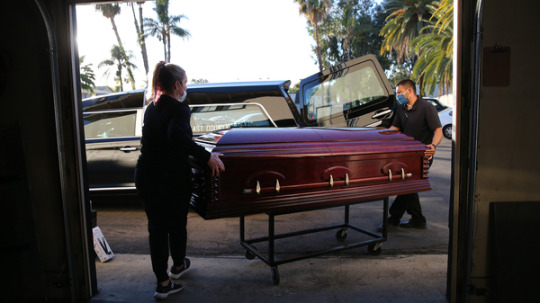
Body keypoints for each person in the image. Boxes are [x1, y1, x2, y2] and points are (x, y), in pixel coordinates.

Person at [135, 61, 225, 300]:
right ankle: (175, 268)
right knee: (176, 224)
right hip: (169, 178)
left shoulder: (151, 108)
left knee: (157, 228)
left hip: (145, 174)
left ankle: (164, 281)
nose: (187, 87)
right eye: (185, 83)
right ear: (177, 85)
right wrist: (207, 158)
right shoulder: (180, 109)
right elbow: (177, 137)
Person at [379, 79, 442, 231]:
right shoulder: (401, 108)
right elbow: (395, 128)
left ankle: (394, 218)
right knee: (410, 185)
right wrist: (378, 133)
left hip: (423, 155)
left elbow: (438, 131)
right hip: (406, 155)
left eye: (399, 92)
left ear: (410, 91)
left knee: (407, 184)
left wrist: (433, 145)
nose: (398, 95)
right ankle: (418, 219)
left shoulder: (427, 108)